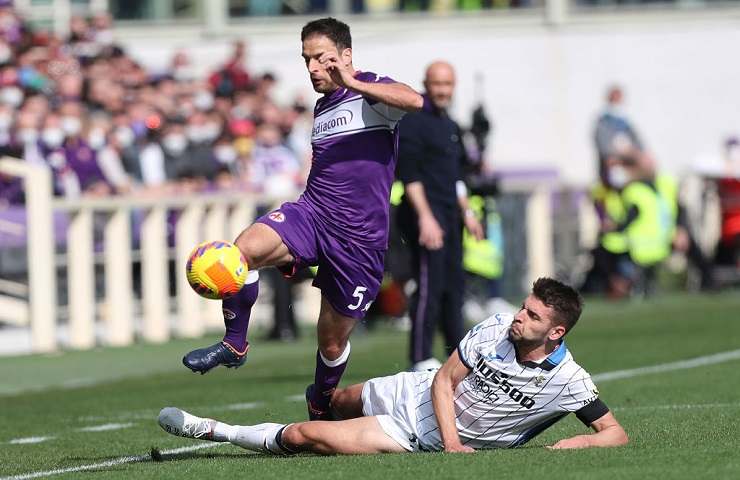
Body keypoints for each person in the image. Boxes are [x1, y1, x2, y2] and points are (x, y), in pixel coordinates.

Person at [181, 17, 424, 421]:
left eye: (322, 59)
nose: (312, 68)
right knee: (243, 250)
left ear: (346, 56)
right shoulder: (322, 105)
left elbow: (413, 100)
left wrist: (353, 81)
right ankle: (235, 343)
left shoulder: (371, 90)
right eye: (306, 60)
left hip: (359, 239)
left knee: (330, 342)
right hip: (312, 212)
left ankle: (321, 400)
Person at [160, 277, 628, 454]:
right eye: (524, 307)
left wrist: (572, 445)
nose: (519, 318)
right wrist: (454, 445)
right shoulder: (497, 326)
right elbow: (445, 382)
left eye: (532, 316)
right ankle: (324, 406)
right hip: (418, 392)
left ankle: (213, 430)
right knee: (337, 400)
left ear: (556, 333)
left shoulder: (569, 381)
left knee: (306, 436)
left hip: (410, 435)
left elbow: (615, 432)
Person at [396, 61, 484, 372]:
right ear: (426, 84)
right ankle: (419, 356)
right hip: (427, 213)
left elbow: (458, 175)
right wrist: (425, 217)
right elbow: (410, 175)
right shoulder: (414, 122)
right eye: (437, 84)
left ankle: (455, 355)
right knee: (429, 285)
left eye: (448, 85)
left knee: (453, 286)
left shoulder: (451, 126)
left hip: (451, 215)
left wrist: (468, 213)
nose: (443, 91)